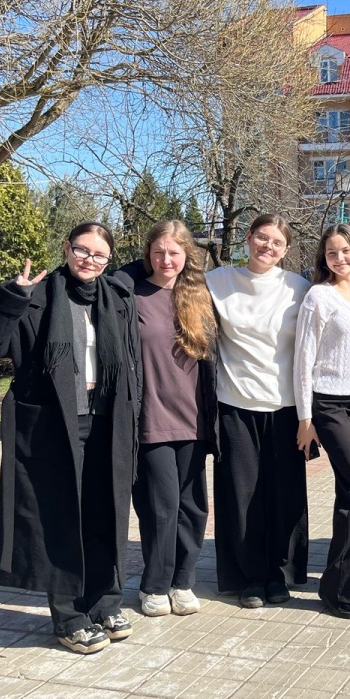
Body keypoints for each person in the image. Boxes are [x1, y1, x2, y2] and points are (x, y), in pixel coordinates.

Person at [0, 222, 140, 655]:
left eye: (99, 254)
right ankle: (69, 617)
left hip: (107, 421)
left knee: (105, 513)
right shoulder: (39, 296)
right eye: (82, 250)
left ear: (109, 260)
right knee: (62, 517)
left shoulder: (116, 298)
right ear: (66, 248)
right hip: (53, 425)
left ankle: (105, 602)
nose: (89, 260)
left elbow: (132, 363)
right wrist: (12, 297)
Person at [206, 213, 311, 609]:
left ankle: (278, 574)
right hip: (235, 405)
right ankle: (249, 577)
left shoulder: (299, 288)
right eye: (262, 237)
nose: (268, 246)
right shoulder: (217, 281)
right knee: (241, 496)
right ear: (248, 237)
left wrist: (312, 415)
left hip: (286, 408)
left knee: (284, 496)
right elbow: (165, 275)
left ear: (286, 250)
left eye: (277, 242)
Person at [119, 220, 217, 619]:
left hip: (194, 419)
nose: (166, 259)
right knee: (161, 507)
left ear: (186, 255)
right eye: (158, 251)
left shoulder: (199, 296)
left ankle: (183, 582)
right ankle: (155, 585)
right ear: (147, 253)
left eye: (174, 252)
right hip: (151, 419)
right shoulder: (130, 294)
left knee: (192, 508)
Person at [294, 224, 350, 620]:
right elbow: (303, 360)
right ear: (324, 258)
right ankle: (338, 587)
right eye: (332, 253)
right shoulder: (319, 296)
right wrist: (305, 418)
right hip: (329, 404)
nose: (340, 258)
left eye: (346, 251)